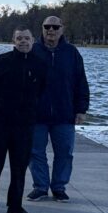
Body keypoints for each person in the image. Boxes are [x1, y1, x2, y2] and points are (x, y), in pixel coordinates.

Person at [0, 26, 47, 213]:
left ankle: (15, 205)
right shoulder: (1, 61)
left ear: (33, 40)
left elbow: (42, 90)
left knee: (19, 166)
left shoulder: (40, 65)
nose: (23, 42)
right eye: (19, 39)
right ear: (13, 41)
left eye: (27, 38)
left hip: (24, 124)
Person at [29, 15, 89, 202]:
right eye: (47, 26)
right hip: (37, 114)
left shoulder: (71, 53)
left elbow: (81, 82)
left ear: (62, 29)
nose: (51, 30)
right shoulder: (33, 50)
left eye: (55, 27)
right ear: (42, 28)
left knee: (64, 153)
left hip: (64, 113)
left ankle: (59, 187)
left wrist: (81, 109)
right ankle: (40, 187)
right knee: (35, 152)